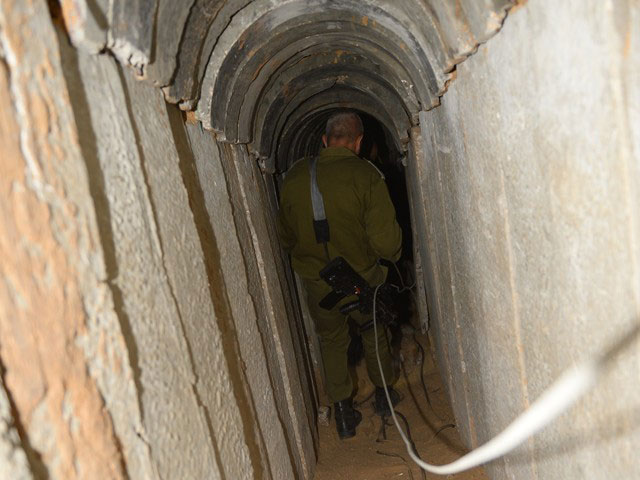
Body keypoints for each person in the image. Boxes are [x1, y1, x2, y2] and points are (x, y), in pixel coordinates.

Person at [277, 110, 403, 439]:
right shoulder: (367, 176)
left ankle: (344, 415)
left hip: (319, 282)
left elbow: (286, 236)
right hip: (364, 279)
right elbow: (386, 242)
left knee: (332, 340)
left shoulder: (294, 177)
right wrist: (393, 259)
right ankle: (385, 399)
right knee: (374, 333)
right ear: (358, 142)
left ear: (324, 140)